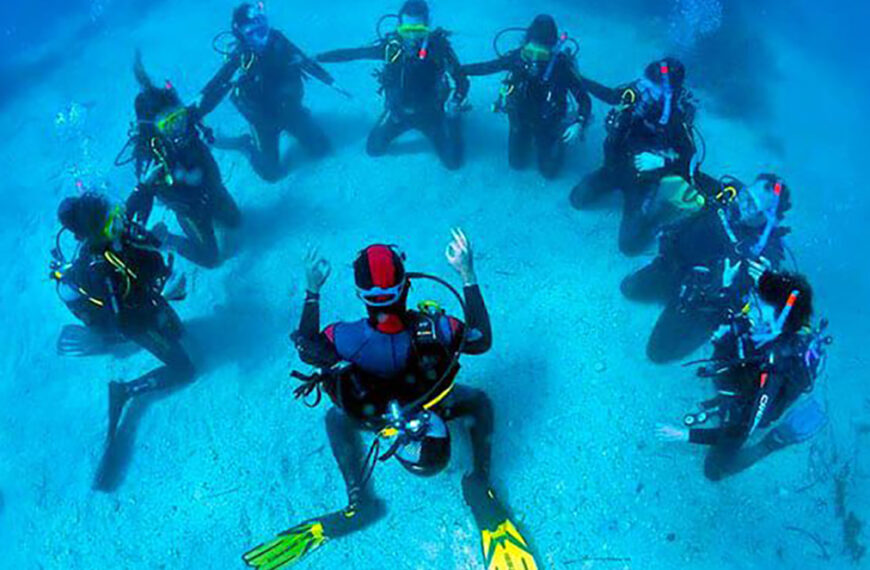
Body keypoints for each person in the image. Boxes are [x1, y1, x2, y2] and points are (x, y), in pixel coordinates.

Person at [242, 231, 539, 570]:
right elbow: (481, 339)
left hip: (379, 420)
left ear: (360, 294)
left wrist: (313, 290)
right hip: (431, 411)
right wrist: (467, 274)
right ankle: (479, 482)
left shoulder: (344, 336)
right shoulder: (438, 327)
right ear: (405, 284)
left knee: (335, 418)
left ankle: (358, 502)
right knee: (479, 401)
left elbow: (307, 346)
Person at [656, 270, 830, 481]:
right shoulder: (752, 325)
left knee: (715, 471)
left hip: (755, 401)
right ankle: (728, 402)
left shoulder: (775, 371)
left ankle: (774, 441)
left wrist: (684, 435)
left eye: (757, 309)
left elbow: (738, 430)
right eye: (752, 302)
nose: (749, 312)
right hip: (743, 381)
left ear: (779, 321)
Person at [50, 193, 195, 443]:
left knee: (179, 333)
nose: (119, 222)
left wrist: (162, 266)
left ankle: (126, 337)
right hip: (132, 322)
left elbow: (140, 235)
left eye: (114, 214)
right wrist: (162, 296)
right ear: (95, 234)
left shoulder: (115, 234)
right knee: (185, 369)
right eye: (111, 222)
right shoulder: (98, 271)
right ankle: (124, 391)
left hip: (144, 299)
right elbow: (124, 323)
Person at [621, 173, 792, 363]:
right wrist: (664, 162)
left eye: (753, 205)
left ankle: (700, 326)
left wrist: (743, 282)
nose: (742, 203)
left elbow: (752, 294)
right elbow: (688, 171)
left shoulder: (764, 252)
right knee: (628, 289)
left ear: (769, 218)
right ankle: (668, 288)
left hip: (699, 300)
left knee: (658, 353)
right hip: (674, 265)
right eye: (746, 194)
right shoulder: (726, 195)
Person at [120, 52, 241, 269]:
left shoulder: (189, 119)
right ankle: (168, 238)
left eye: (178, 118)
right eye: (168, 124)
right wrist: (140, 228)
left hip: (213, 190)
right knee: (211, 260)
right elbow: (143, 194)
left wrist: (235, 62)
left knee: (236, 222)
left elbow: (211, 91)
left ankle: (215, 215)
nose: (178, 127)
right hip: (191, 210)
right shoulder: (149, 155)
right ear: (153, 129)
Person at [316, 0, 469, 170]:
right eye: (407, 30)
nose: (412, 37)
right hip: (399, 113)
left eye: (418, 30)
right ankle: (386, 115)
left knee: (453, 163)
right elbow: (354, 53)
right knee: (373, 150)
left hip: (432, 115)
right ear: (399, 26)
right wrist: (318, 58)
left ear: (427, 26)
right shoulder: (390, 48)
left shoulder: (440, 49)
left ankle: (454, 121)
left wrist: (455, 102)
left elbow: (462, 80)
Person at [198, 3, 342, 182]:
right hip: (263, 121)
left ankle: (301, 119)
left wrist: (329, 80)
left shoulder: (278, 39)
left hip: (289, 110)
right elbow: (219, 80)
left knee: (322, 150)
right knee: (272, 175)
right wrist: (199, 103)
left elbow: (302, 59)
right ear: (240, 32)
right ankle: (246, 145)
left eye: (263, 28)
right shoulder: (240, 57)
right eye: (252, 32)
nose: (262, 37)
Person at [570, 57, 698, 255]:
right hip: (615, 167)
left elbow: (690, 158)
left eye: (652, 88)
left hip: (643, 181)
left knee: (629, 246)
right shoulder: (637, 92)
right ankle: (615, 186)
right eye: (644, 83)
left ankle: (661, 214)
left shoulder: (677, 118)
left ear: (669, 93)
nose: (644, 91)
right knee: (577, 199)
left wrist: (662, 161)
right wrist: (577, 76)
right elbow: (610, 95)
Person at [462, 15, 591, 179]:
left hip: (548, 124)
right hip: (520, 120)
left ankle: (562, 134)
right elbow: (487, 67)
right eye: (531, 52)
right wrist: (459, 70)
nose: (535, 59)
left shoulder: (561, 67)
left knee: (549, 172)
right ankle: (532, 140)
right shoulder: (517, 58)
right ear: (525, 44)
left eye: (541, 54)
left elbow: (584, 99)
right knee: (516, 164)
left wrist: (579, 123)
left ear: (552, 49)